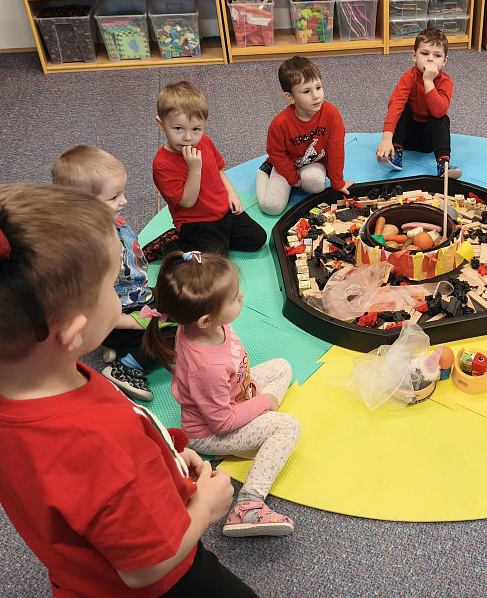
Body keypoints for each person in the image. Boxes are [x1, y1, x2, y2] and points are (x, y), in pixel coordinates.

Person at [0, 183, 258, 597]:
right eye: (110, 287)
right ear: (74, 332)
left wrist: (168, 457)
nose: (120, 294)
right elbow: (147, 567)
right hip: (167, 581)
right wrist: (205, 509)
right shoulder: (100, 444)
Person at [142, 251, 301, 538]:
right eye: (233, 298)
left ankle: (260, 421)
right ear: (205, 320)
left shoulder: (204, 326)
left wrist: (254, 400)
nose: (242, 296)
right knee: (288, 427)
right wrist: (264, 402)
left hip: (236, 393)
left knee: (282, 366)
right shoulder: (207, 368)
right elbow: (222, 423)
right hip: (211, 432)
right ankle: (248, 505)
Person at [52, 145, 177, 401]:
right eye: (114, 197)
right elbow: (88, 307)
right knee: (173, 334)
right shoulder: (86, 251)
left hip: (136, 298)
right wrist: (128, 322)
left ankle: (120, 346)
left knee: (185, 301)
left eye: (123, 192)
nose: (124, 201)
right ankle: (127, 366)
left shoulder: (112, 222)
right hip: (114, 317)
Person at [152, 80, 267, 256]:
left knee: (257, 238)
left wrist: (231, 194)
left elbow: (219, 170)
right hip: (196, 222)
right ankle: (174, 243)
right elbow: (187, 202)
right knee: (216, 262)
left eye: (196, 129)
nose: (188, 137)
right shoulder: (162, 164)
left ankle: (214, 242)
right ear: (161, 124)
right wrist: (194, 169)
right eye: (178, 129)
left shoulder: (205, 141)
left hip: (223, 211)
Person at [256, 55, 351, 216]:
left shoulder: (331, 114)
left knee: (317, 185)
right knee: (272, 207)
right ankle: (264, 171)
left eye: (318, 87)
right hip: (284, 166)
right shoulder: (279, 124)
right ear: (290, 97)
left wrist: (338, 183)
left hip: (312, 163)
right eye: (307, 91)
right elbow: (277, 154)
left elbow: (336, 150)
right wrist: (294, 180)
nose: (316, 95)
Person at [375, 27, 462, 179]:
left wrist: (428, 81)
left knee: (441, 117)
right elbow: (395, 105)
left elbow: (439, 111)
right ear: (414, 56)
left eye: (437, 55)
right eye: (425, 53)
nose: (430, 59)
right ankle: (396, 154)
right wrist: (386, 139)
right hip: (406, 138)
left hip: (429, 141)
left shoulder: (446, 82)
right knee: (401, 107)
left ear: (444, 61)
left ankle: (443, 164)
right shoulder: (408, 77)